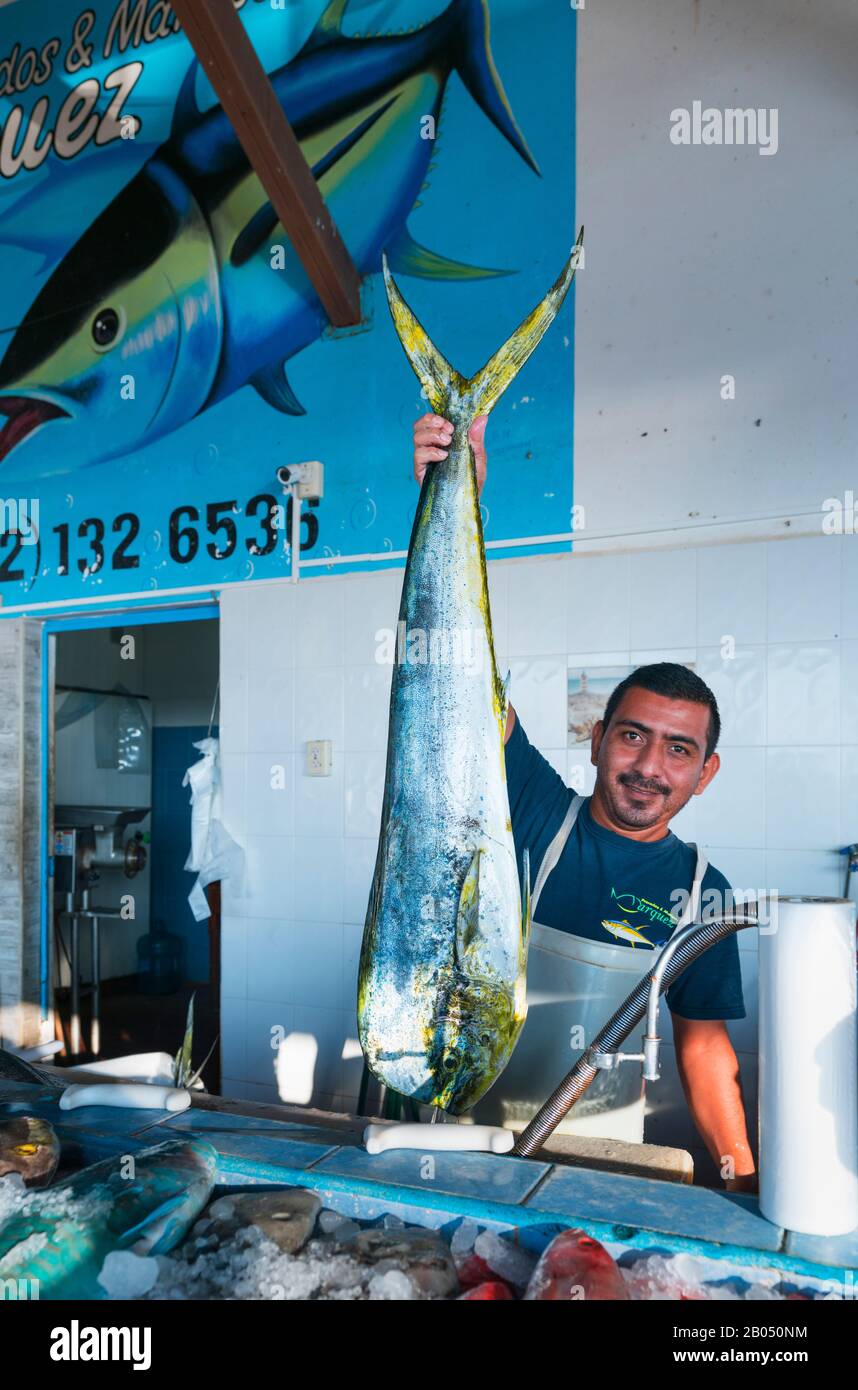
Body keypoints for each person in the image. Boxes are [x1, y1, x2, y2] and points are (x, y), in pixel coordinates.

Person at [412, 412, 756, 1191]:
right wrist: (453, 495)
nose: (648, 766)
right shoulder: (533, 804)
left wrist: (739, 1181)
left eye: (678, 750)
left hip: (599, 1161)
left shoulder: (708, 895)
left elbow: (704, 1051)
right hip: (462, 1138)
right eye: (632, 737)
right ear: (597, 739)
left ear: (705, 773)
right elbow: (464, 673)